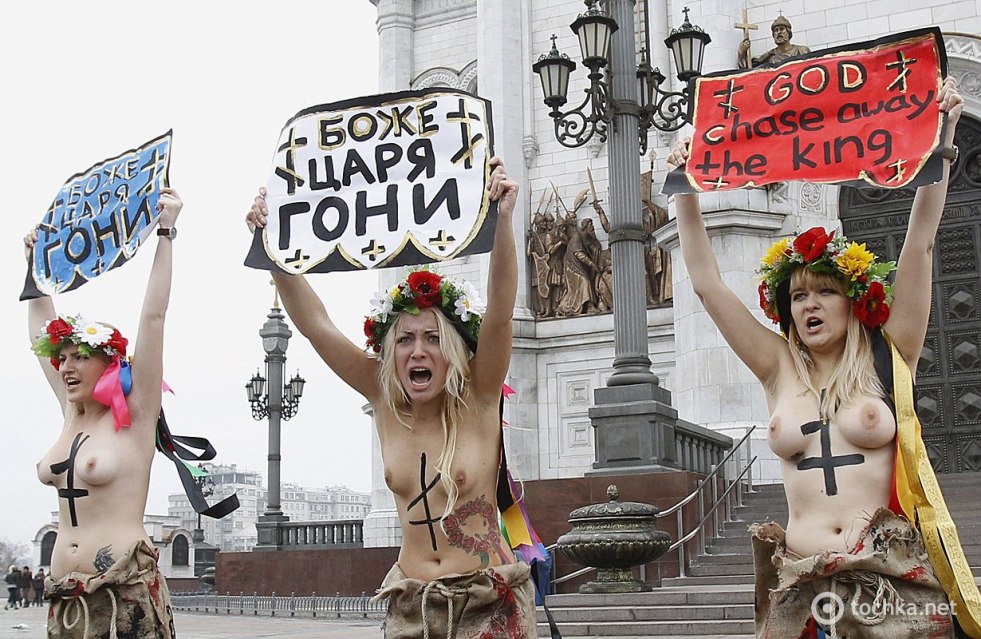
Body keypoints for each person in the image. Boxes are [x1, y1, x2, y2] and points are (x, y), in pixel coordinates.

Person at [669, 78, 976, 637]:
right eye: (798, 296)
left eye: (825, 292)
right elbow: (708, 285)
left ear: (854, 302)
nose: (810, 305)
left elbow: (920, 243)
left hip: (889, 584)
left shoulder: (892, 349)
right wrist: (682, 187)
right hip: (801, 591)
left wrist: (942, 140)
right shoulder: (776, 365)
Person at [246, 158, 538, 638]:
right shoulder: (383, 400)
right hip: (411, 606)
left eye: (431, 337)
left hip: (487, 600)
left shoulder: (480, 397)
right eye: (404, 339)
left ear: (452, 350)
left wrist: (503, 219)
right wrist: (270, 248)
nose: (418, 350)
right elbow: (316, 326)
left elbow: (502, 314)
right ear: (388, 352)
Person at [26, 188, 183, 639]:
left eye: (78, 357)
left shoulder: (133, 416)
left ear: (108, 363)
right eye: (63, 358)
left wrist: (167, 233)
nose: (66, 367)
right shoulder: (70, 413)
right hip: (65, 596)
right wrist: (35, 267)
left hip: (125, 591)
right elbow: (39, 326)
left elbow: (154, 317)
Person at [738, 15, 811, 69]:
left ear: (788, 32)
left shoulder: (802, 51)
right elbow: (750, 71)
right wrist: (741, 53)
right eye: (776, 30)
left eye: (782, 29)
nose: (779, 32)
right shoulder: (769, 56)